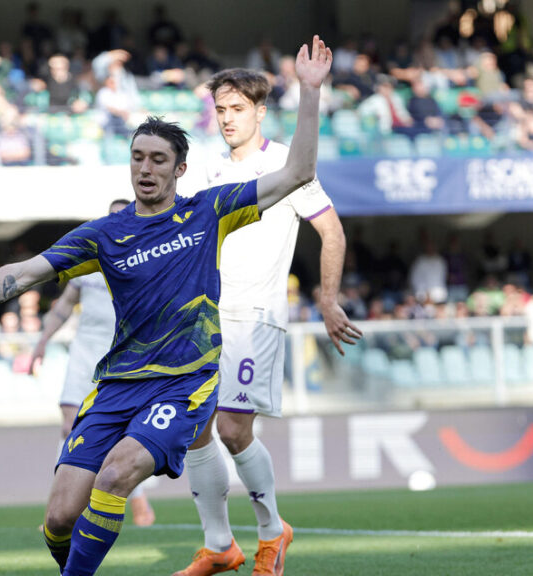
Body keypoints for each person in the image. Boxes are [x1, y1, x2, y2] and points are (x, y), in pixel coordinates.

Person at [0, 35, 334, 576]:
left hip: (185, 379)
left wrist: (310, 92)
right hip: (117, 384)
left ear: (180, 170)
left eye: (158, 159)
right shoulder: (103, 234)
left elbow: (297, 171)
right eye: (137, 157)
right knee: (61, 516)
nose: (146, 168)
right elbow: (29, 270)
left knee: (116, 475)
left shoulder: (210, 211)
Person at [174, 68, 361, 576]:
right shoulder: (206, 171)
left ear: (260, 111)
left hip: (255, 316)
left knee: (234, 429)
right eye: (221, 110)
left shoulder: (285, 164)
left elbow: (333, 232)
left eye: (237, 109)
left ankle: (272, 533)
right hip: (203, 321)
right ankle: (218, 545)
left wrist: (328, 300)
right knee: (195, 430)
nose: (228, 119)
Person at [30, 198, 155, 527]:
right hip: (85, 354)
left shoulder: (145, 262)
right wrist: (41, 343)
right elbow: (64, 306)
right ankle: (61, 506)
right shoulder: (88, 262)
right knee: (69, 427)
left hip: (122, 357)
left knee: (120, 435)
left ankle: (135, 498)